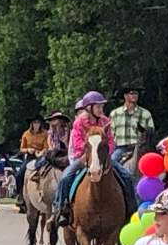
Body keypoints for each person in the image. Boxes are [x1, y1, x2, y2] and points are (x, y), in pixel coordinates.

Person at [53, 92, 136, 225]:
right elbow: (77, 142)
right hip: (84, 157)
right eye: (98, 107)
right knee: (65, 177)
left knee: (126, 176)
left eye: (101, 107)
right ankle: (60, 208)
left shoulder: (105, 121)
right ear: (89, 108)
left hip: (103, 157)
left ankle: (131, 208)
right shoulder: (79, 122)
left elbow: (110, 141)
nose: (101, 109)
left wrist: (104, 151)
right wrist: (90, 151)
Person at [109, 88, 155, 166]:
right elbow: (110, 134)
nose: (134, 95)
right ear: (125, 96)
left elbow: (152, 133)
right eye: (132, 93)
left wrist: (144, 131)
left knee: (155, 165)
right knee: (112, 162)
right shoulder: (115, 114)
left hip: (141, 148)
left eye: (136, 93)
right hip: (121, 148)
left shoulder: (146, 114)